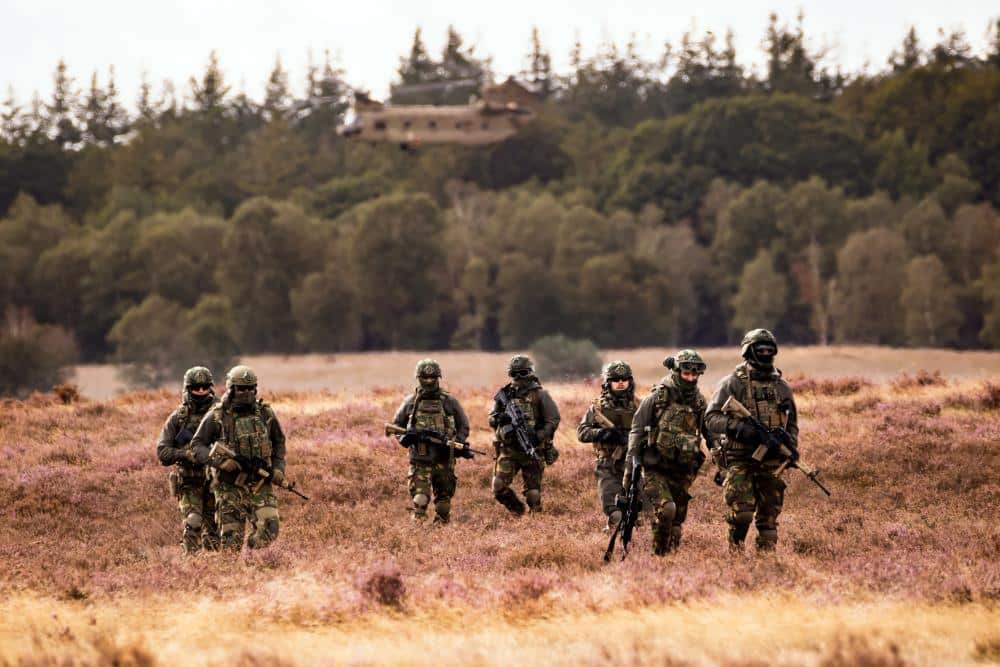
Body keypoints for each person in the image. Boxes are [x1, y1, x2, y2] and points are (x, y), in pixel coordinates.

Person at [705, 329, 799, 552]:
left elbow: (791, 424)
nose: (765, 353)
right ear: (749, 351)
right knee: (743, 512)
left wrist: (791, 447)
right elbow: (711, 418)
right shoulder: (732, 383)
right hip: (740, 459)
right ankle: (735, 555)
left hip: (772, 461)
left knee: (769, 521)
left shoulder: (781, 387)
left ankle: (765, 567)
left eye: (769, 350)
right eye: (761, 350)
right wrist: (741, 429)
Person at [190, 365, 286, 550]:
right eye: (242, 388)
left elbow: (279, 441)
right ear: (232, 389)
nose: (247, 393)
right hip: (229, 487)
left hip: (260, 482)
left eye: (250, 388)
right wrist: (221, 462)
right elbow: (197, 445)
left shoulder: (265, 413)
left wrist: (278, 468)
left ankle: (253, 557)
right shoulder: (217, 416)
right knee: (231, 542)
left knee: (270, 529)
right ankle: (234, 576)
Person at [624, 350, 710, 555]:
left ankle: (670, 561)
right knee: (667, 510)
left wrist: (722, 455)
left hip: (684, 469)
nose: (690, 378)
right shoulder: (657, 397)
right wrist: (631, 467)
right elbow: (636, 430)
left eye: (694, 375)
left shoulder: (699, 402)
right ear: (676, 371)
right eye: (686, 374)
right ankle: (659, 556)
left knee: (677, 521)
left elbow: (709, 431)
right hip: (655, 466)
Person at [390, 359, 472, 524]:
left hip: (444, 459)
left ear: (438, 377)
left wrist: (457, 443)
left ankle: (440, 536)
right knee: (420, 500)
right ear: (418, 378)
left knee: (443, 506)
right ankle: (417, 536)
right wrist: (406, 438)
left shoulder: (449, 401)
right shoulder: (410, 402)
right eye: (424, 377)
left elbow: (464, 425)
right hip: (420, 460)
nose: (428, 381)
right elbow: (395, 426)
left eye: (432, 377)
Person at [156, 366, 219, 554]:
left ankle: (218, 572)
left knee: (215, 531)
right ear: (188, 389)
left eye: (204, 387)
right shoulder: (178, 418)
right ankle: (191, 563)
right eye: (196, 387)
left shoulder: (221, 415)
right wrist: (186, 455)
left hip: (216, 481)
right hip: (189, 481)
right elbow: (163, 452)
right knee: (193, 521)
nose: (201, 391)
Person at [488, 355, 560, 515]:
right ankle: (517, 511)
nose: (519, 378)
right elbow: (491, 418)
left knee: (533, 494)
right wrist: (499, 419)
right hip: (509, 450)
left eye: (523, 373)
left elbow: (553, 419)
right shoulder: (505, 394)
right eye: (515, 374)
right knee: (498, 485)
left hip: (533, 449)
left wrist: (539, 436)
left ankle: (536, 524)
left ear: (531, 372)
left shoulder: (540, 395)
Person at [577, 360, 639, 531]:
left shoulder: (639, 406)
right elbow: (581, 433)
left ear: (630, 381)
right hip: (608, 466)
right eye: (615, 379)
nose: (620, 383)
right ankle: (611, 533)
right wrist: (604, 434)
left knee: (642, 517)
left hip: (634, 465)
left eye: (624, 379)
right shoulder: (597, 408)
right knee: (616, 514)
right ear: (608, 382)